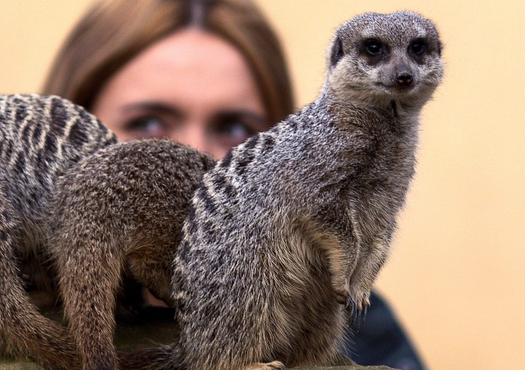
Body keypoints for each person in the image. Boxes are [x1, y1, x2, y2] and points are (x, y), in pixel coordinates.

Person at [42, 0, 426, 369]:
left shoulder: (375, 334)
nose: (194, 151)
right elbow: (318, 202)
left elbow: (378, 214)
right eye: (146, 123)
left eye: (235, 128)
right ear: (72, 130)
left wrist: (361, 265)